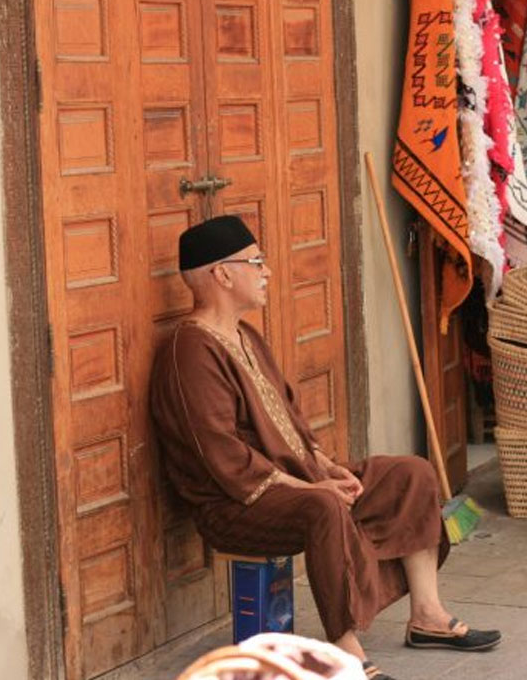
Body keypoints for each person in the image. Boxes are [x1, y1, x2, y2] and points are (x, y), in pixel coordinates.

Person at [150, 215, 501, 680]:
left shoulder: (244, 335)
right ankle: (345, 650)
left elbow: (291, 421)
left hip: (293, 481)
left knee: (411, 475)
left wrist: (326, 467)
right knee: (323, 508)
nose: (266, 271)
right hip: (236, 502)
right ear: (221, 274)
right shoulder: (189, 351)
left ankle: (428, 616)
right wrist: (310, 487)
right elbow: (222, 458)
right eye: (256, 262)